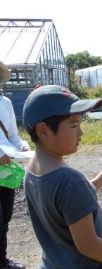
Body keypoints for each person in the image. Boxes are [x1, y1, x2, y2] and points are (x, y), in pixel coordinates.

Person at [22, 85, 102, 269]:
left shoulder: (32, 169)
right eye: (74, 125)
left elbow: (59, 204)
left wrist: (95, 184)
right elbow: (89, 245)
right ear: (43, 130)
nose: (81, 132)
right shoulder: (71, 181)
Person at [0, 61, 29, 269]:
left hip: (7, 168)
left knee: (6, 217)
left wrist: (21, 146)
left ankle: (2, 260)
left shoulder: (5, 102)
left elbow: (12, 134)